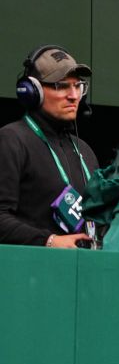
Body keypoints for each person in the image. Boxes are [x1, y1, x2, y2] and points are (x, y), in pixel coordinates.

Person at [0, 47, 98, 247]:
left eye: (78, 86)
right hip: (31, 272)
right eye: (61, 86)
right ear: (32, 91)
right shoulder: (11, 140)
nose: (73, 95)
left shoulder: (85, 151)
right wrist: (48, 241)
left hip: (82, 271)